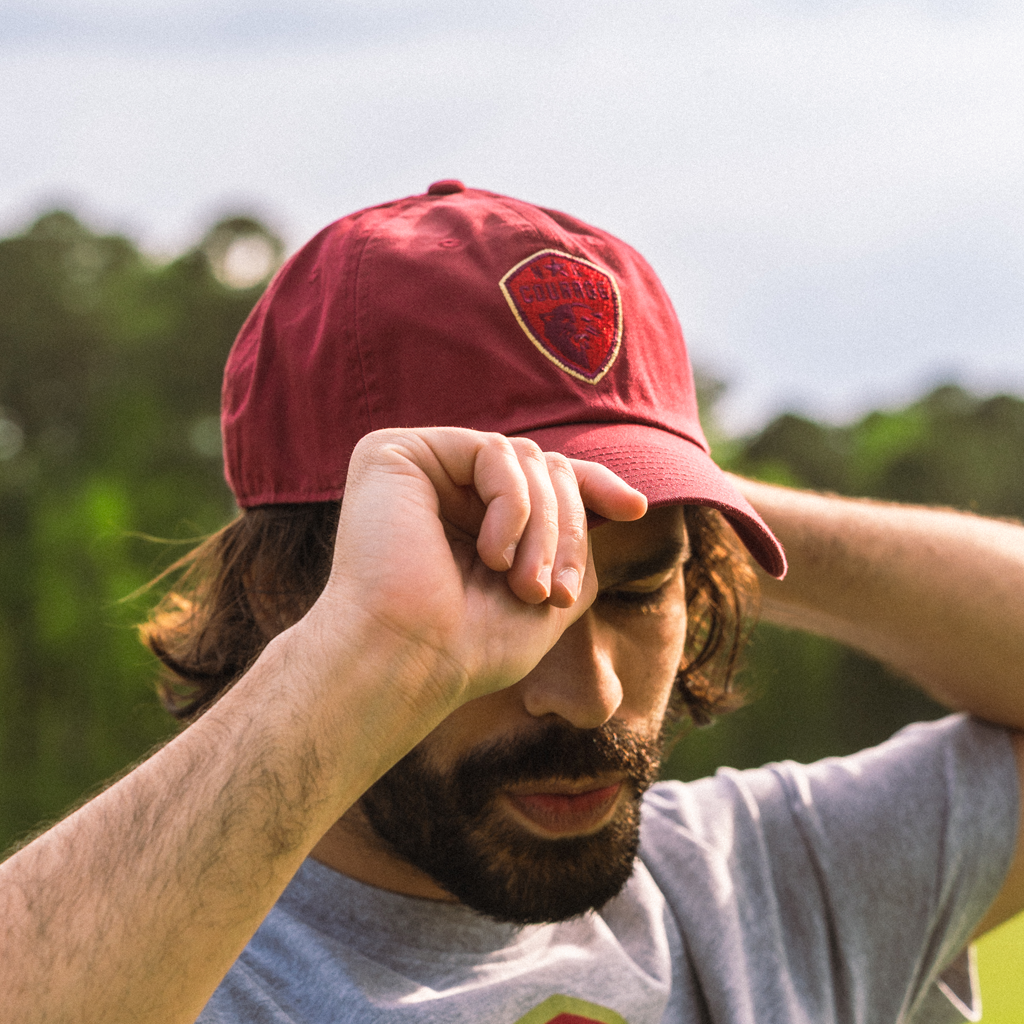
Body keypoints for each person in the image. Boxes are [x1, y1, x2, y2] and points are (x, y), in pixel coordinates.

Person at [1, 180, 1023, 1024]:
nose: (590, 695)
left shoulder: (770, 885)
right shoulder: (181, 970)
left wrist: (689, 487)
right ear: (283, 596)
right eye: (503, 596)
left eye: (640, 591)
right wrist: (359, 656)